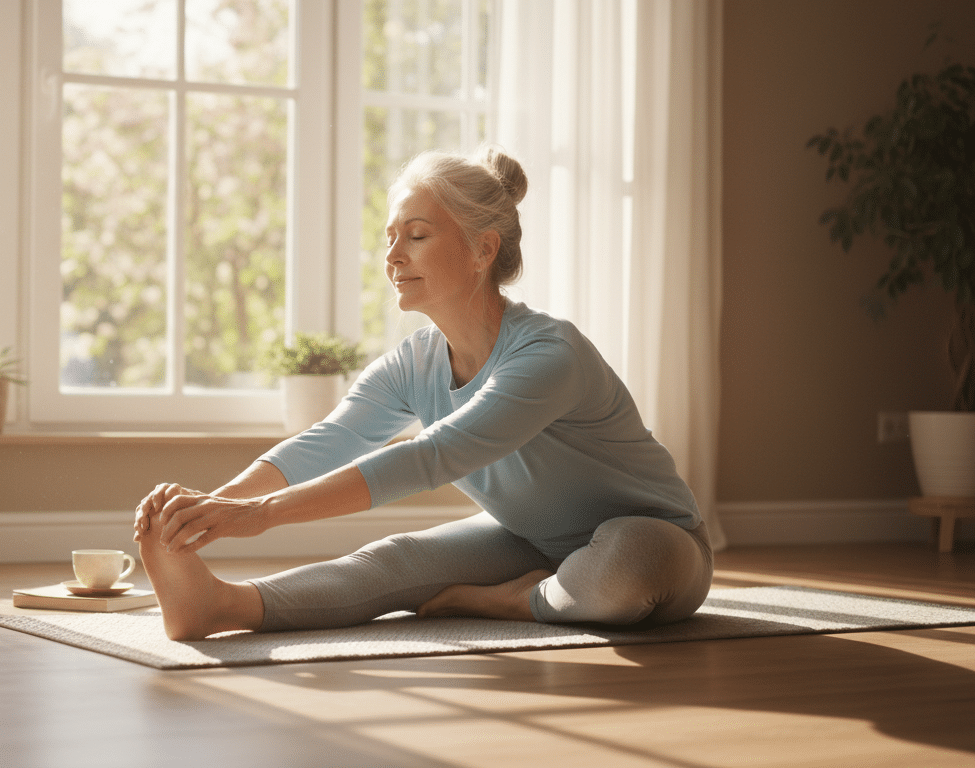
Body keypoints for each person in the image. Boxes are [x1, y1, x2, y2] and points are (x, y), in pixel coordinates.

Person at [134, 146, 713, 641]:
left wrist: (258, 516)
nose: (392, 258)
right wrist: (211, 509)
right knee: (395, 560)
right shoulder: (414, 362)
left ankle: (509, 601)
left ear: (483, 251)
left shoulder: (548, 355)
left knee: (628, 561)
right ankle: (219, 605)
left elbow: (432, 455)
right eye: (390, 238)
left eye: (416, 236)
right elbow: (334, 437)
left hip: (658, 541)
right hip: (533, 542)